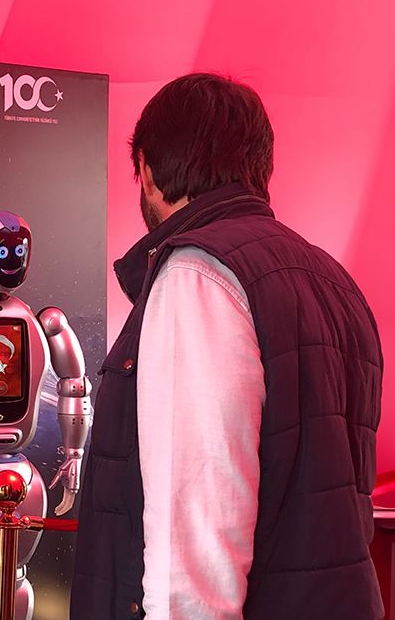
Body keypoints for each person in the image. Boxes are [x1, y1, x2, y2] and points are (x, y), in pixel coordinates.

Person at [71, 74, 384, 619]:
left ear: (148, 169)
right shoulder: (334, 279)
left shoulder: (197, 272)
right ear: (258, 167)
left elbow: (193, 550)